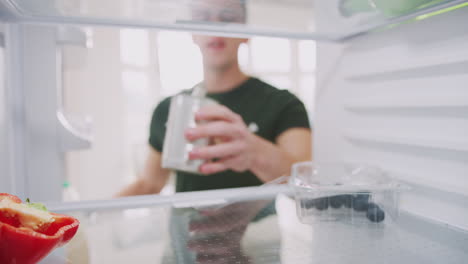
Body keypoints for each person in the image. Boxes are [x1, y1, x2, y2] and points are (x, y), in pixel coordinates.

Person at [116, 0, 312, 197]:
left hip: (259, 228)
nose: (215, 24)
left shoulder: (284, 104)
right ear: (192, 32)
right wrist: (86, 219)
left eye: (228, 17)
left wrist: (255, 153)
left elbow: (306, 186)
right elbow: (149, 185)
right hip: (184, 227)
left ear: (245, 32)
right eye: (203, 17)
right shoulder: (168, 109)